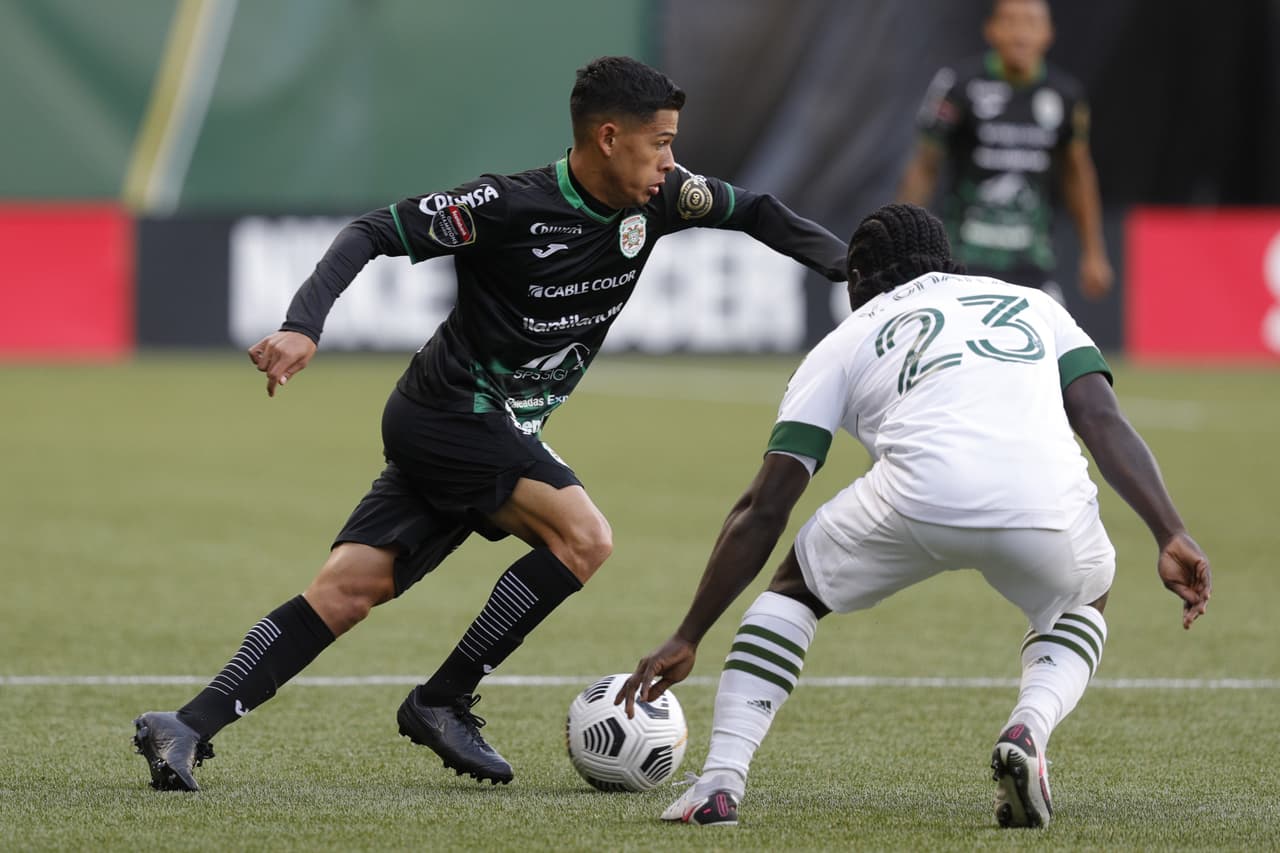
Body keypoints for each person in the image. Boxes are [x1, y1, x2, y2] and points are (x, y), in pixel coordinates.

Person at [131, 55, 848, 792]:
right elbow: (371, 231)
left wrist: (853, 267)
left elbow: (759, 211)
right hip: (449, 412)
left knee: (350, 589)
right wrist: (302, 326)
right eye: (659, 142)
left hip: (486, 425)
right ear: (608, 138)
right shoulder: (505, 206)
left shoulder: (664, 198)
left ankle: (186, 723)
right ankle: (441, 698)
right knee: (584, 536)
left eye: (672, 144)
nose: (672, 161)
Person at [616, 203, 1211, 828]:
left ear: (859, 280)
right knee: (1085, 598)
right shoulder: (1032, 304)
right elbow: (1101, 419)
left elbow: (766, 506)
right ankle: (1029, 727)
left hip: (917, 499)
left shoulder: (845, 339)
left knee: (794, 590)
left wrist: (690, 633)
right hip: (1048, 507)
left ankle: (719, 785)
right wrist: (1170, 530)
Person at [897, 0, 1113, 305]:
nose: (1020, 34)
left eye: (1031, 23)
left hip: (1034, 258)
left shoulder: (1065, 95)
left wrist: (1094, 252)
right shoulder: (959, 87)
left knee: (1054, 347)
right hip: (964, 255)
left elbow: (1077, 173)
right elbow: (925, 166)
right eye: (1010, 22)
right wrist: (900, 241)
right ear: (991, 31)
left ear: (1048, 34)